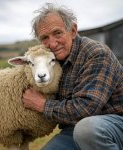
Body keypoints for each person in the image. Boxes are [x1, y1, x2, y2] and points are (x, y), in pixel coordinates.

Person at [22, 3, 123, 150]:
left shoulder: (96, 54)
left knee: (86, 129)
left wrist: (42, 105)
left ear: (73, 30)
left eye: (57, 33)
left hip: (114, 124)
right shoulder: (51, 61)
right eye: (44, 37)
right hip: (74, 129)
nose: (52, 43)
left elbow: (86, 110)